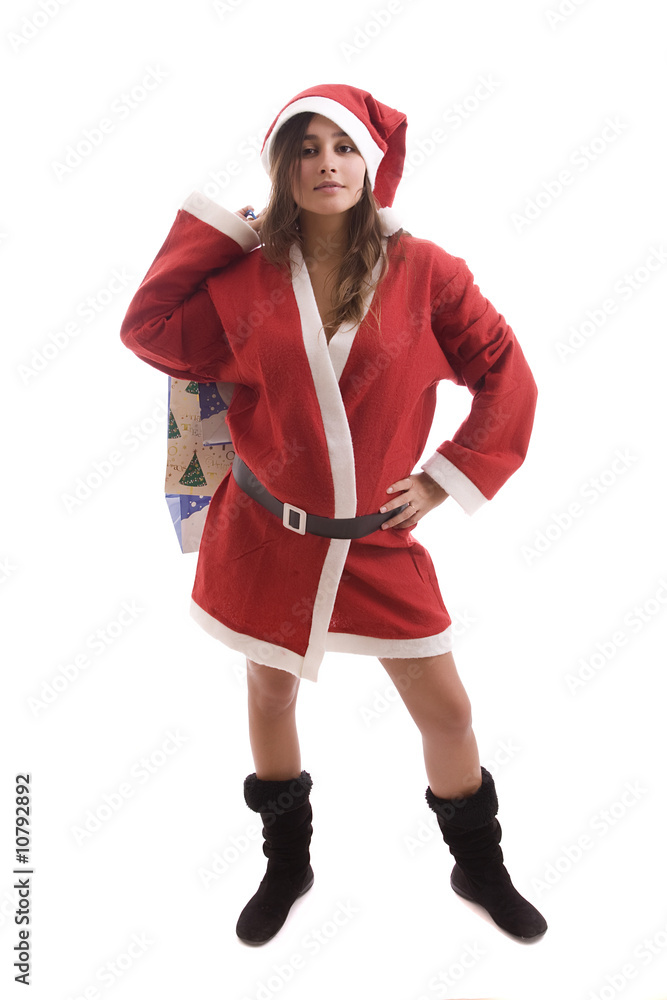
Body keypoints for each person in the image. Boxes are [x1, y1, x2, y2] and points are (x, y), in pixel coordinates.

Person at [120, 83, 547, 946]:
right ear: (282, 168)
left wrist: (446, 477)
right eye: (306, 148)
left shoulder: (426, 272)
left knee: (447, 711)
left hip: (375, 543)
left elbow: (506, 373)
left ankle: (478, 862)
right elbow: (149, 327)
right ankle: (287, 862)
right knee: (269, 691)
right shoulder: (244, 279)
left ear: (371, 163)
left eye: (344, 146)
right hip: (262, 535)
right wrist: (225, 234)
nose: (327, 164)